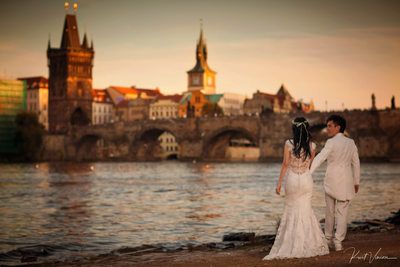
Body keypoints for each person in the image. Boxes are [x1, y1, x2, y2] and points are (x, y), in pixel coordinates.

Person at [263, 117, 329, 260]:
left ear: (294, 129)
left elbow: (286, 164)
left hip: (292, 179)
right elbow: (309, 166)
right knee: (306, 210)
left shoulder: (289, 143)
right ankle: (310, 244)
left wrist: (279, 183)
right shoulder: (312, 146)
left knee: (291, 209)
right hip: (306, 180)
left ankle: (291, 244)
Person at [310, 115, 360, 251]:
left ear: (338, 127)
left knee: (330, 212)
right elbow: (356, 163)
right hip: (347, 182)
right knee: (343, 212)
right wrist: (356, 182)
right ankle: (338, 242)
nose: (327, 129)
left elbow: (320, 158)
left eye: (329, 126)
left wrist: (308, 173)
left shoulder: (331, 142)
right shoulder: (351, 143)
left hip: (332, 180)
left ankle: (327, 239)